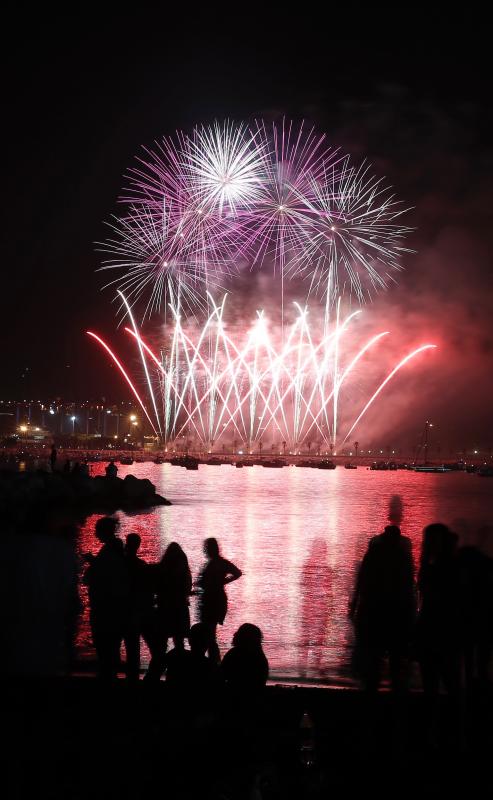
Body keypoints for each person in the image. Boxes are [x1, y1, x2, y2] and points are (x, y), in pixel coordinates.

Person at [350, 524, 415, 692]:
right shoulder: (402, 555)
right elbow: (409, 587)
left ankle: (371, 698)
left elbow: (361, 580)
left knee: (374, 660)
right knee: (394, 660)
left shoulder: (375, 553)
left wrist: (355, 605)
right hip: (395, 614)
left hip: (375, 613)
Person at [84, 516, 129, 680]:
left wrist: (92, 563)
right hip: (114, 608)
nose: (95, 533)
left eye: (97, 530)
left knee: (104, 647)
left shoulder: (108, 552)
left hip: (104, 608)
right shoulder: (116, 550)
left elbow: (100, 575)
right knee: (112, 646)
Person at [146, 542, 192, 680]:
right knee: (179, 643)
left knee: (160, 644)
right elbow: (187, 589)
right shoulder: (184, 573)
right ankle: (179, 674)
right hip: (180, 609)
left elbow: (154, 588)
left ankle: (154, 675)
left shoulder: (161, 571)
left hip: (164, 610)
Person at [197, 537, 242, 663]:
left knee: (208, 634)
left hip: (211, 601)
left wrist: (222, 582)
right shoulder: (222, 563)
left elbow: (237, 573)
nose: (204, 551)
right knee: (210, 633)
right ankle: (214, 663)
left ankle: (213, 662)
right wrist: (224, 581)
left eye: (205, 548)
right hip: (217, 599)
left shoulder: (212, 564)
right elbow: (237, 573)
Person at [123, 533, 155, 681]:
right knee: (141, 647)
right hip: (139, 610)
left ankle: (131, 677)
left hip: (125, 610)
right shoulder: (141, 565)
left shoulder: (121, 563)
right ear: (138, 546)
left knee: (131, 647)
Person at [221, 623, 269, 693]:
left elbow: (222, 674)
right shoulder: (260, 656)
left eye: (238, 632)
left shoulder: (235, 653)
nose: (234, 634)